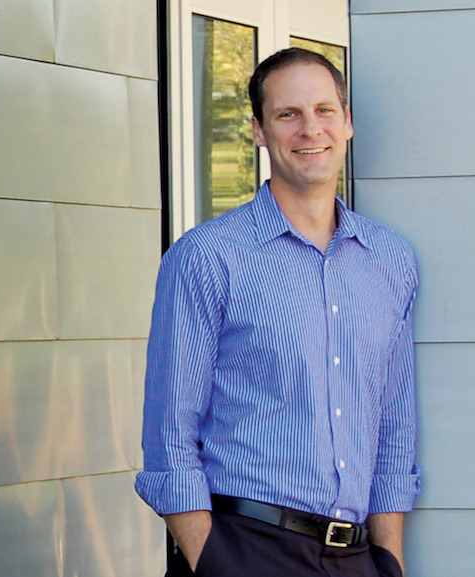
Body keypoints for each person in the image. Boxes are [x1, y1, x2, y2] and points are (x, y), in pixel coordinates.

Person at [136, 47, 420, 577]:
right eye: (288, 114)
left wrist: (389, 562)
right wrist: (215, 562)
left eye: (323, 111)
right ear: (259, 131)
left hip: (359, 559)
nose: (310, 129)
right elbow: (170, 434)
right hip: (247, 549)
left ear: (348, 123)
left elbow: (394, 429)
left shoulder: (390, 261)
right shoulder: (208, 257)